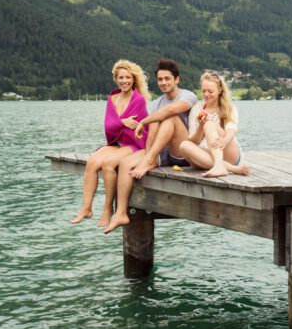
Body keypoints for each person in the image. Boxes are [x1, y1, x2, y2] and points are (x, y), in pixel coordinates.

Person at [103, 59, 197, 234]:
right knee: (125, 164)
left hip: (184, 151)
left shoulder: (188, 95)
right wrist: (145, 151)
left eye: (167, 79)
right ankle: (121, 213)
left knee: (167, 117)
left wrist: (144, 121)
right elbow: (150, 130)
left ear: (177, 79)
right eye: (160, 79)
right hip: (162, 152)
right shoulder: (155, 104)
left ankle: (148, 158)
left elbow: (170, 111)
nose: (163, 83)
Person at [70, 59, 150, 227]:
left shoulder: (138, 100)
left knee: (108, 164)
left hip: (133, 145)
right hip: (115, 142)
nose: (124, 81)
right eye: (121, 77)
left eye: (128, 77)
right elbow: (109, 128)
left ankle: (108, 209)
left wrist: (119, 124)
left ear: (134, 79)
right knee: (92, 162)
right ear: (116, 79)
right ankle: (86, 208)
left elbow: (134, 132)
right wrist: (122, 122)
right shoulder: (112, 98)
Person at [180, 72, 250, 177]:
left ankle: (219, 165)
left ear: (220, 90)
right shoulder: (196, 109)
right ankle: (231, 169)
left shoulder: (229, 108)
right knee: (183, 145)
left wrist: (224, 140)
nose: (206, 95)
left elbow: (232, 130)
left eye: (210, 91)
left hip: (227, 149)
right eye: (203, 91)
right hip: (206, 153)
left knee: (209, 123)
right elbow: (194, 141)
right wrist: (201, 126)